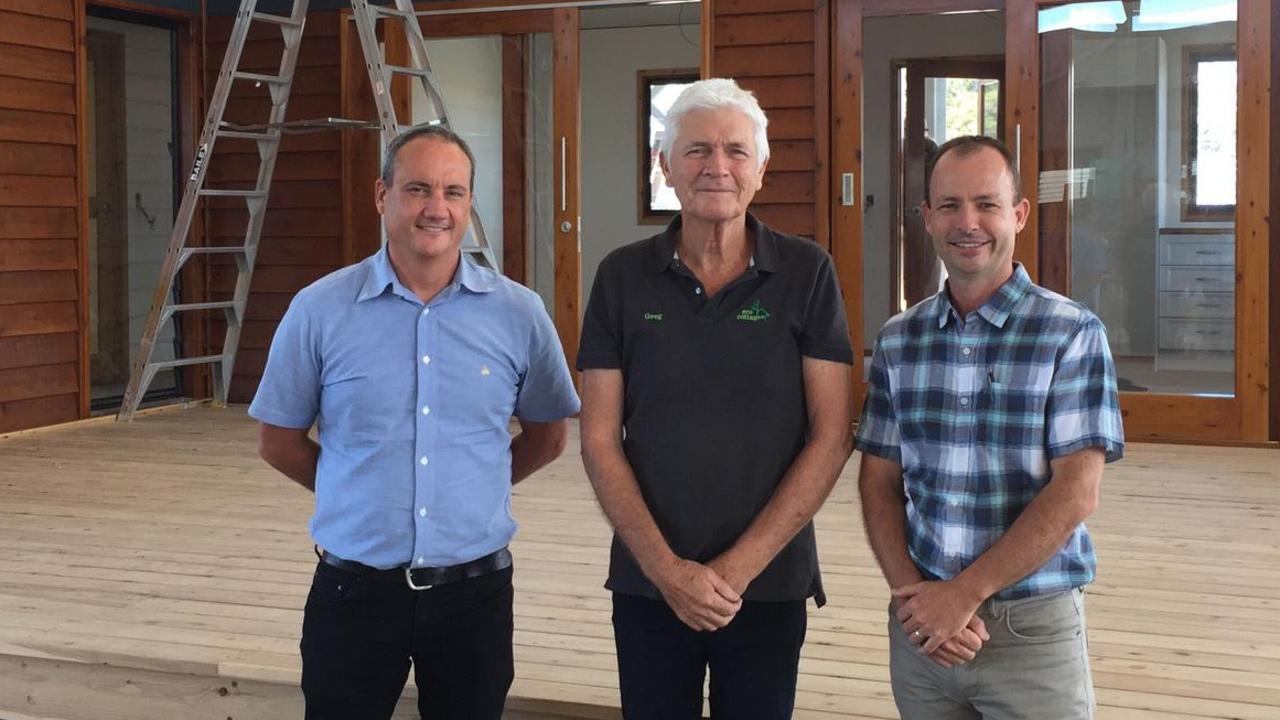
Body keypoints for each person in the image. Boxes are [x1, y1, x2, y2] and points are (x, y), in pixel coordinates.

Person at [249, 124, 580, 720]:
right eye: (418, 189)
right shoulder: (319, 309)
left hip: (474, 595)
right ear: (382, 195)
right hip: (353, 592)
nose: (437, 208)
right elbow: (278, 440)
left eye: (454, 192)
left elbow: (550, 435)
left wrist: (473, 487)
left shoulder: (519, 313)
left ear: (469, 203)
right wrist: (355, 489)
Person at [577, 78, 855, 719]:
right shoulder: (621, 276)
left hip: (767, 583)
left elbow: (832, 435)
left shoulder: (807, 272)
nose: (717, 167)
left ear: (762, 166)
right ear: (665, 166)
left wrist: (734, 571)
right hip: (649, 580)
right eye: (697, 150)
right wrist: (668, 571)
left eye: (735, 150)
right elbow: (597, 437)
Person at [856, 134, 1124, 719]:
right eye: (949, 205)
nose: (967, 221)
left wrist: (964, 594)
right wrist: (915, 599)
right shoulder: (898, 341)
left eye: (987, 204)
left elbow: (1077, 491)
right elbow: (878, 482)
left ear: (1019, 215)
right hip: (921, 627)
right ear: (926, 218)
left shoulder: (1072, 334)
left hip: (1030, 627)